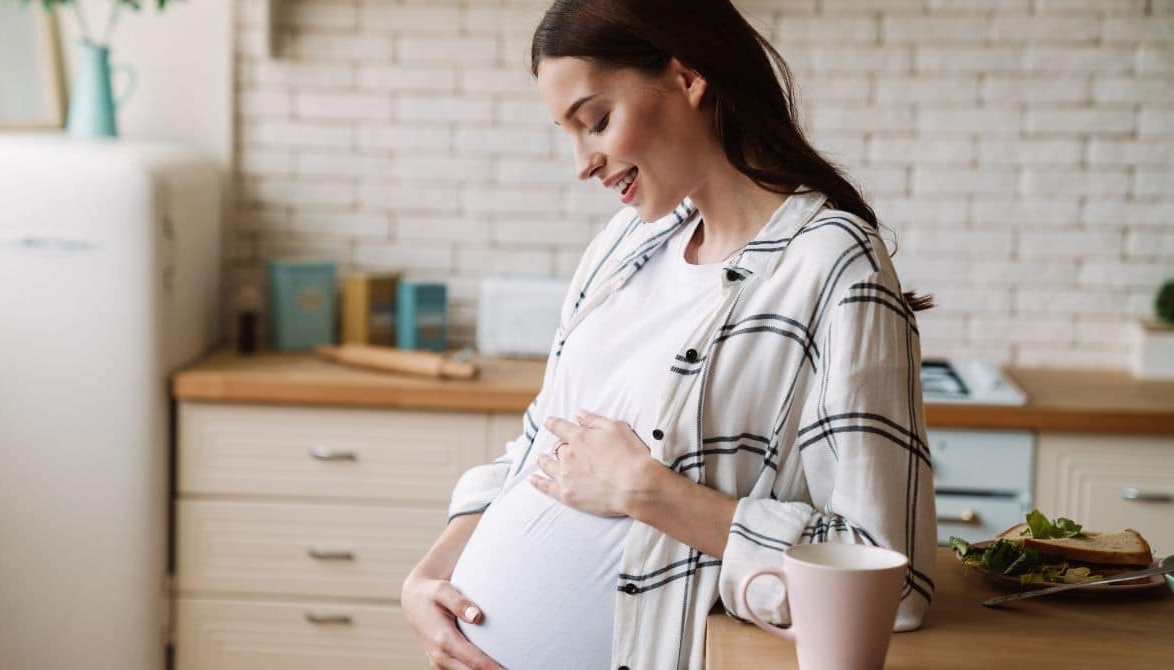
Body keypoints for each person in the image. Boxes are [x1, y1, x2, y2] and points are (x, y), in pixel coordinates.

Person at [400, 1, 936, 668]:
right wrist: (430, 574)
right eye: (569, 132)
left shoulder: (830, 265)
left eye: (596, 122)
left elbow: (893, 582)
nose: (582, 163)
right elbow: (541, 443)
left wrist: (648, 493)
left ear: (686, 80)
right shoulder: (627, 244)